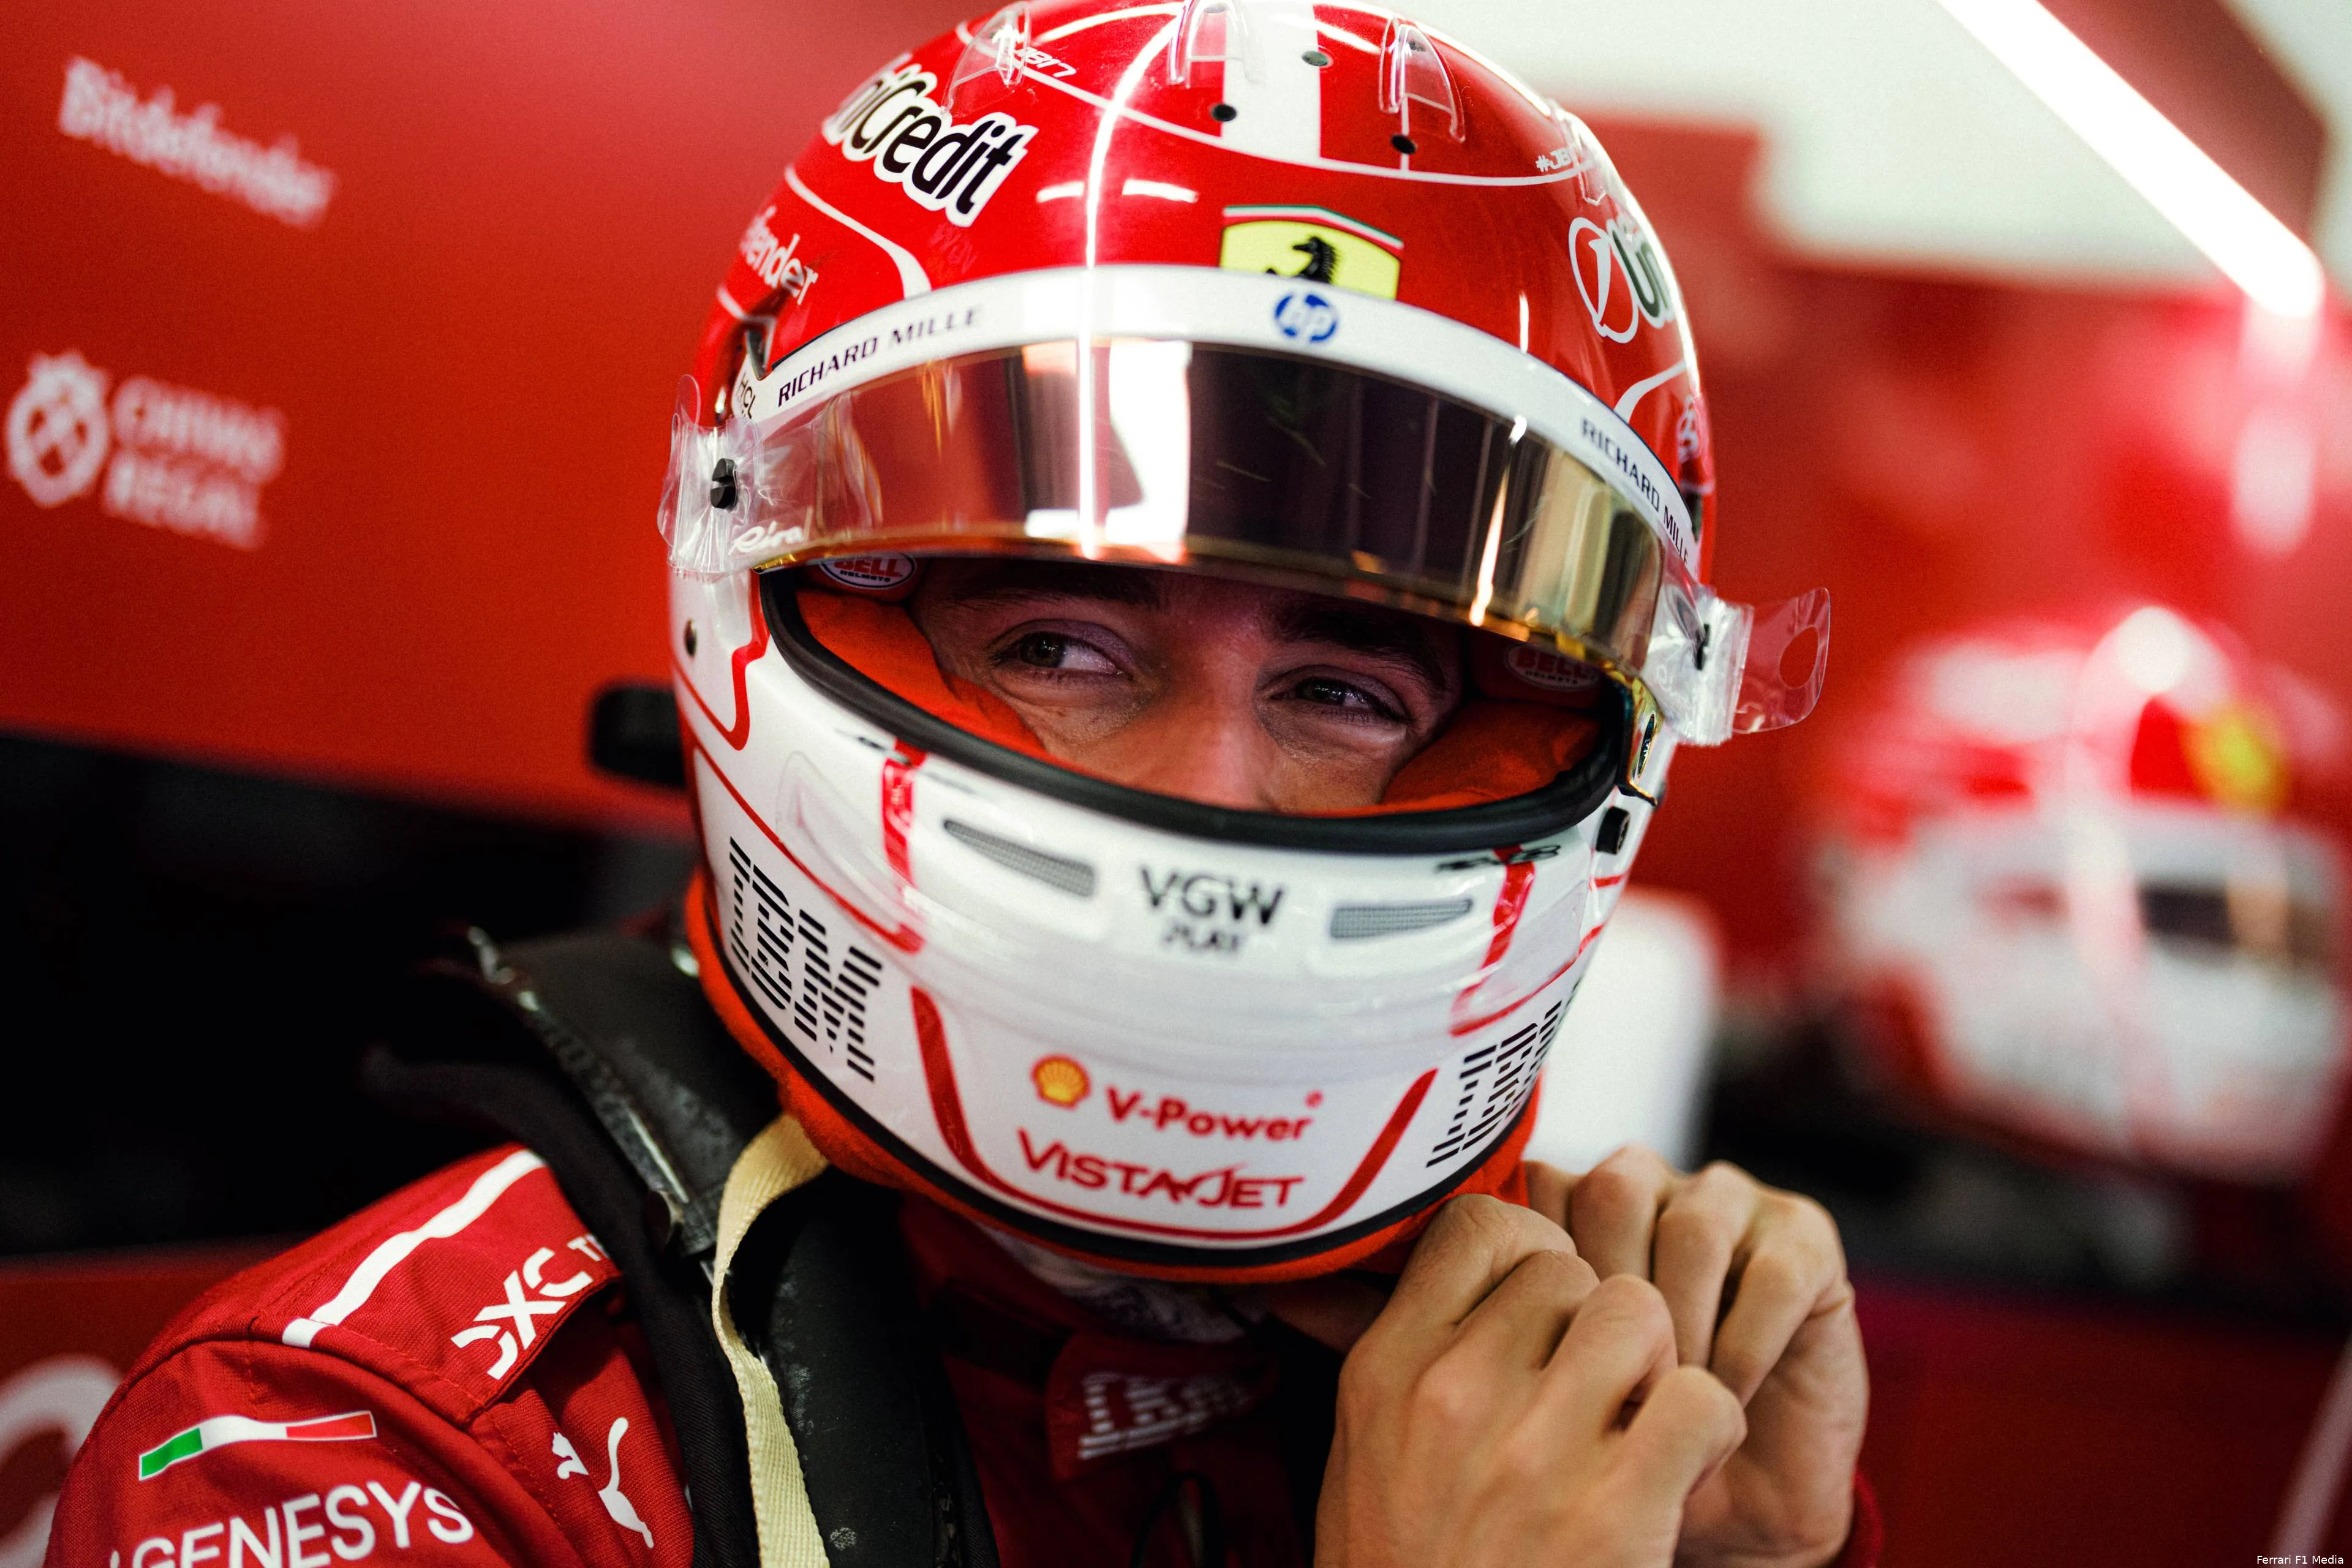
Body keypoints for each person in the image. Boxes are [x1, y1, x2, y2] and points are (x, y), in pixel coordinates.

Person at [46, 4, 1866, 1566]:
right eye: (1065, 651)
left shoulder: (1599, 1409)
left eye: (1339, 692)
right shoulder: (362, 1454)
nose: (1214, 792)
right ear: (758, 593)